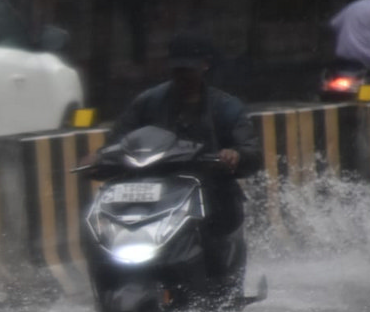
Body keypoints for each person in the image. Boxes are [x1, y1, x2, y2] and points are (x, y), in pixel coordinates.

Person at [97, 32, 263, 288]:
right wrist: (100, 157)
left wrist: (235, 155)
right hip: (156, 194)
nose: (183, 76)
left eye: (189, 69)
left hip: (209, 192)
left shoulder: (227, 107)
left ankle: (221, 294)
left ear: (204, 66)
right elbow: (118, 140)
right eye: (177, 70)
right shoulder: (147, 102)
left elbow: (251, 150)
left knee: (220, 231)